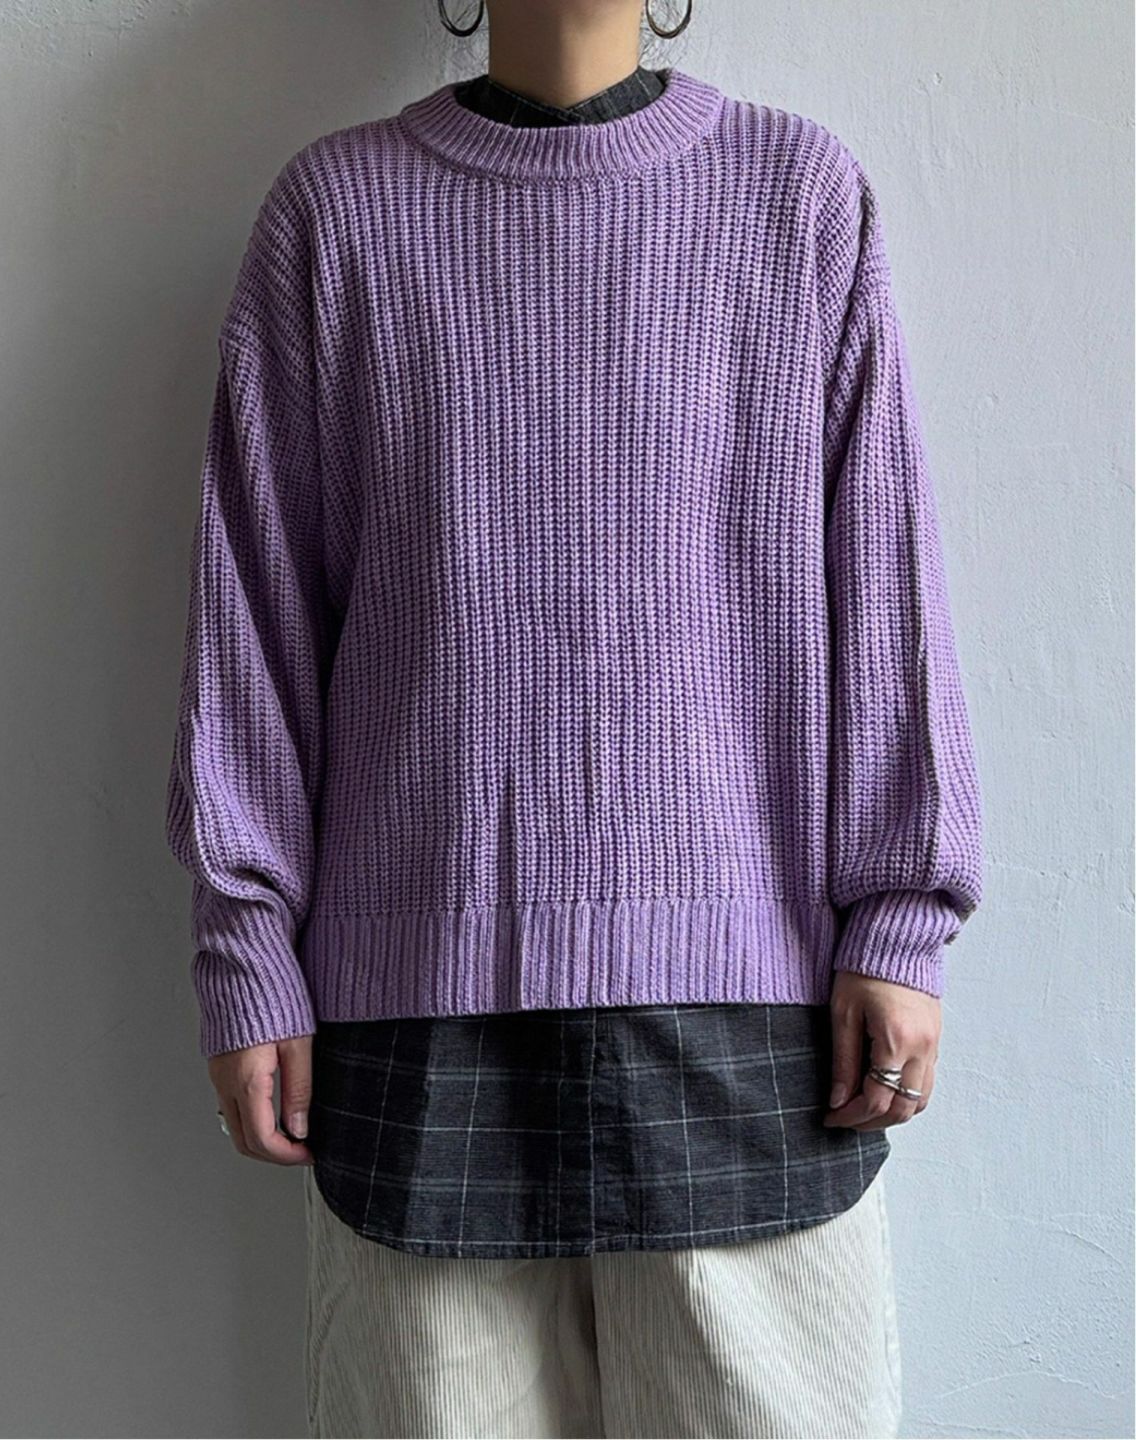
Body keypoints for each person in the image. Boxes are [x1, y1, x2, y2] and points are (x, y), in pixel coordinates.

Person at [163, 2, 984, 1436]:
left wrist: (900, 918)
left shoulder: (797, 197)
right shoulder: (336, 216)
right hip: (419, 1025)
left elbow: (882, 579)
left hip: (758, 1030)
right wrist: (248, 949)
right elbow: (256, 614)